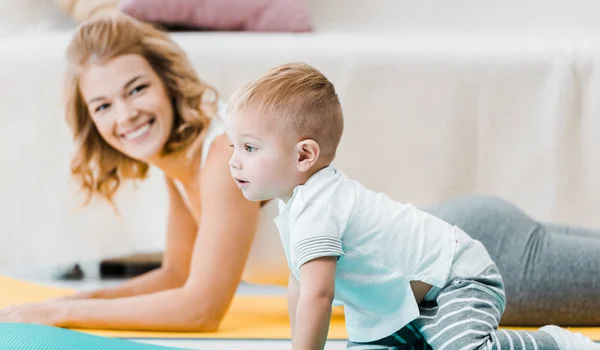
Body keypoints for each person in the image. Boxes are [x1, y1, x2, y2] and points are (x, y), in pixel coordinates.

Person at [0, 13, 599, 330]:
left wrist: (55, 313)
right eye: (103, 105)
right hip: (460, 242)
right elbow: (180, 273)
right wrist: (75, 299)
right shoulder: (181, 165)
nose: (124, 114)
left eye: (135, 89)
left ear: (166, 83)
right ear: (89, 119)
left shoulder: (219, 159)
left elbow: (200, 308)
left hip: (464, 263)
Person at [227, 62, 600, 350]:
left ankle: (555, 347)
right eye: (233, 147)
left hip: (460, 275)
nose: (233, 162)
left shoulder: (318, 208)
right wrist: (296, 349)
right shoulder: (297, 203)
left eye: (249, 148)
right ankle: (440, 335)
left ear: (304, 155)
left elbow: (319, 296)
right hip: (417, 300)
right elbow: (299, 283)